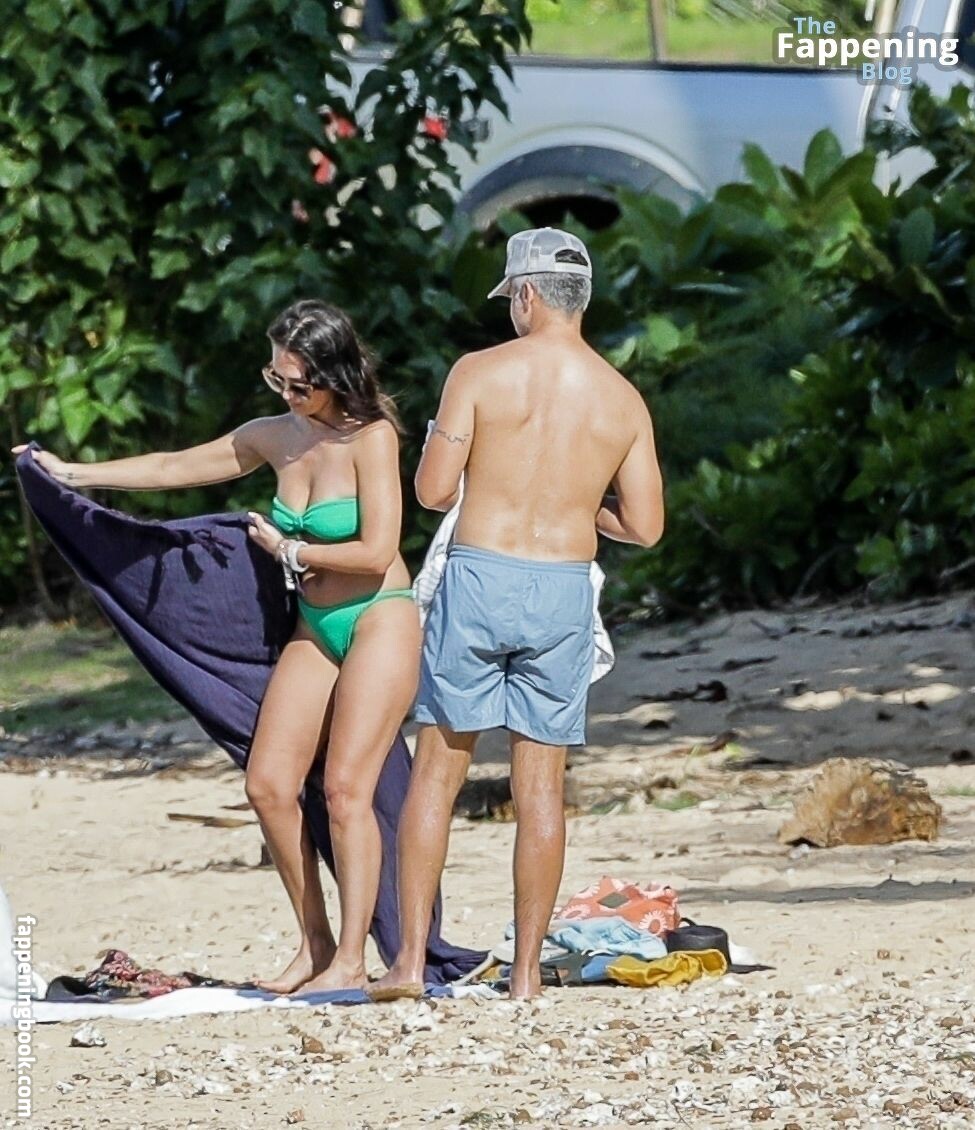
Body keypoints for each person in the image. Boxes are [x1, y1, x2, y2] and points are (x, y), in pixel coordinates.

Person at [14, 299, 421, 994]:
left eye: (300, 383)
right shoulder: (275, 435)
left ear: (335, 374)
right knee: (268, 784)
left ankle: (353, 960)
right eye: (277, 379)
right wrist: (72, 475)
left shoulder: (371, 437)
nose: (288, 394)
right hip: (315, 625)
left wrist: (289, 549)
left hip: (378, 617)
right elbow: (175, 466)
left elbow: (377, 550)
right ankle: (315, 944)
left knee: (345, 789)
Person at [371, 227, 665, 1001]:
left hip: (480, 577)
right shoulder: (622, 399)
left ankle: (408, 964)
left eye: (510, 298)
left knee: (436, 773)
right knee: (540, 790)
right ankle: (527, 975)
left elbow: (433, 492)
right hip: (562, 587)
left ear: (526, 294)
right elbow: (645, 525)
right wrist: (578, 502)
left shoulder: (477, 372)